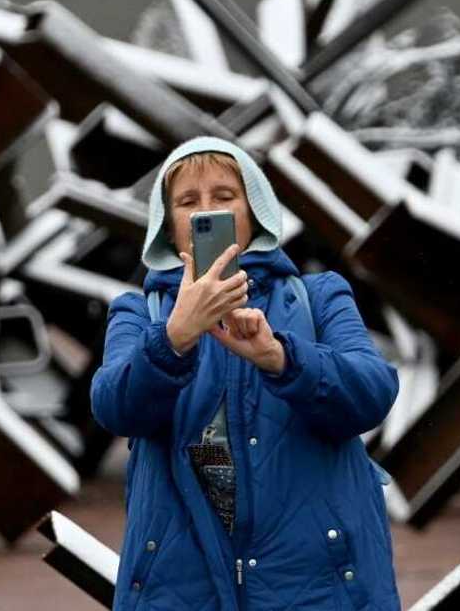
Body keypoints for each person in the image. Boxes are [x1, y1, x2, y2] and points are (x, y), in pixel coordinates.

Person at [91, 136, 401, 611]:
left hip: (317, 583)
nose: (205, 212)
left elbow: (373, 393)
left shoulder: (318, 296)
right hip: (183, 587)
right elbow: (114, 408)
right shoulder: (139, 312)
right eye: (187, 202)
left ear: (254, 212)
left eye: (224, 197)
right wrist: (174, 339)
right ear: (168, 229)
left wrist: (280, 357)